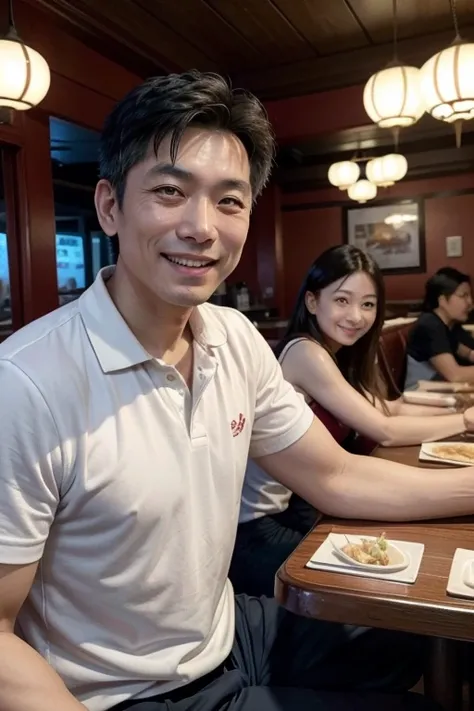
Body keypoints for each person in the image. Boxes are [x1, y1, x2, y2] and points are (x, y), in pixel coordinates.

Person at [0, 70, 457, 711]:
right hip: (124, 692)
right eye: (169, 191)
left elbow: (336, 478)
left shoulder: (234, 337)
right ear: (109, 206)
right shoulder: (24, 383)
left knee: (423, 639)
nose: (201, 227)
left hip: (227, 632)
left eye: (229, 200)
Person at [230, 246, 474, 597]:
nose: (357, 316)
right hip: (260, 527)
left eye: (368, 304)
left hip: (301, 505)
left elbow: (390, 409)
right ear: (313, 302)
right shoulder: (305, 352)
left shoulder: (336, 352)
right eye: (342, 300)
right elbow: (384, 430)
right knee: (399, 582)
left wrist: (460, 417)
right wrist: (464, 419)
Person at [405, 267, 474, 388]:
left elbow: (468, 352)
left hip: (441, 390)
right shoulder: (429, 325)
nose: (470, 302)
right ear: (442, 301)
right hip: (420, 395)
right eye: (463, 295)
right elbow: (454, 375)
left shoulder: (449, 326)